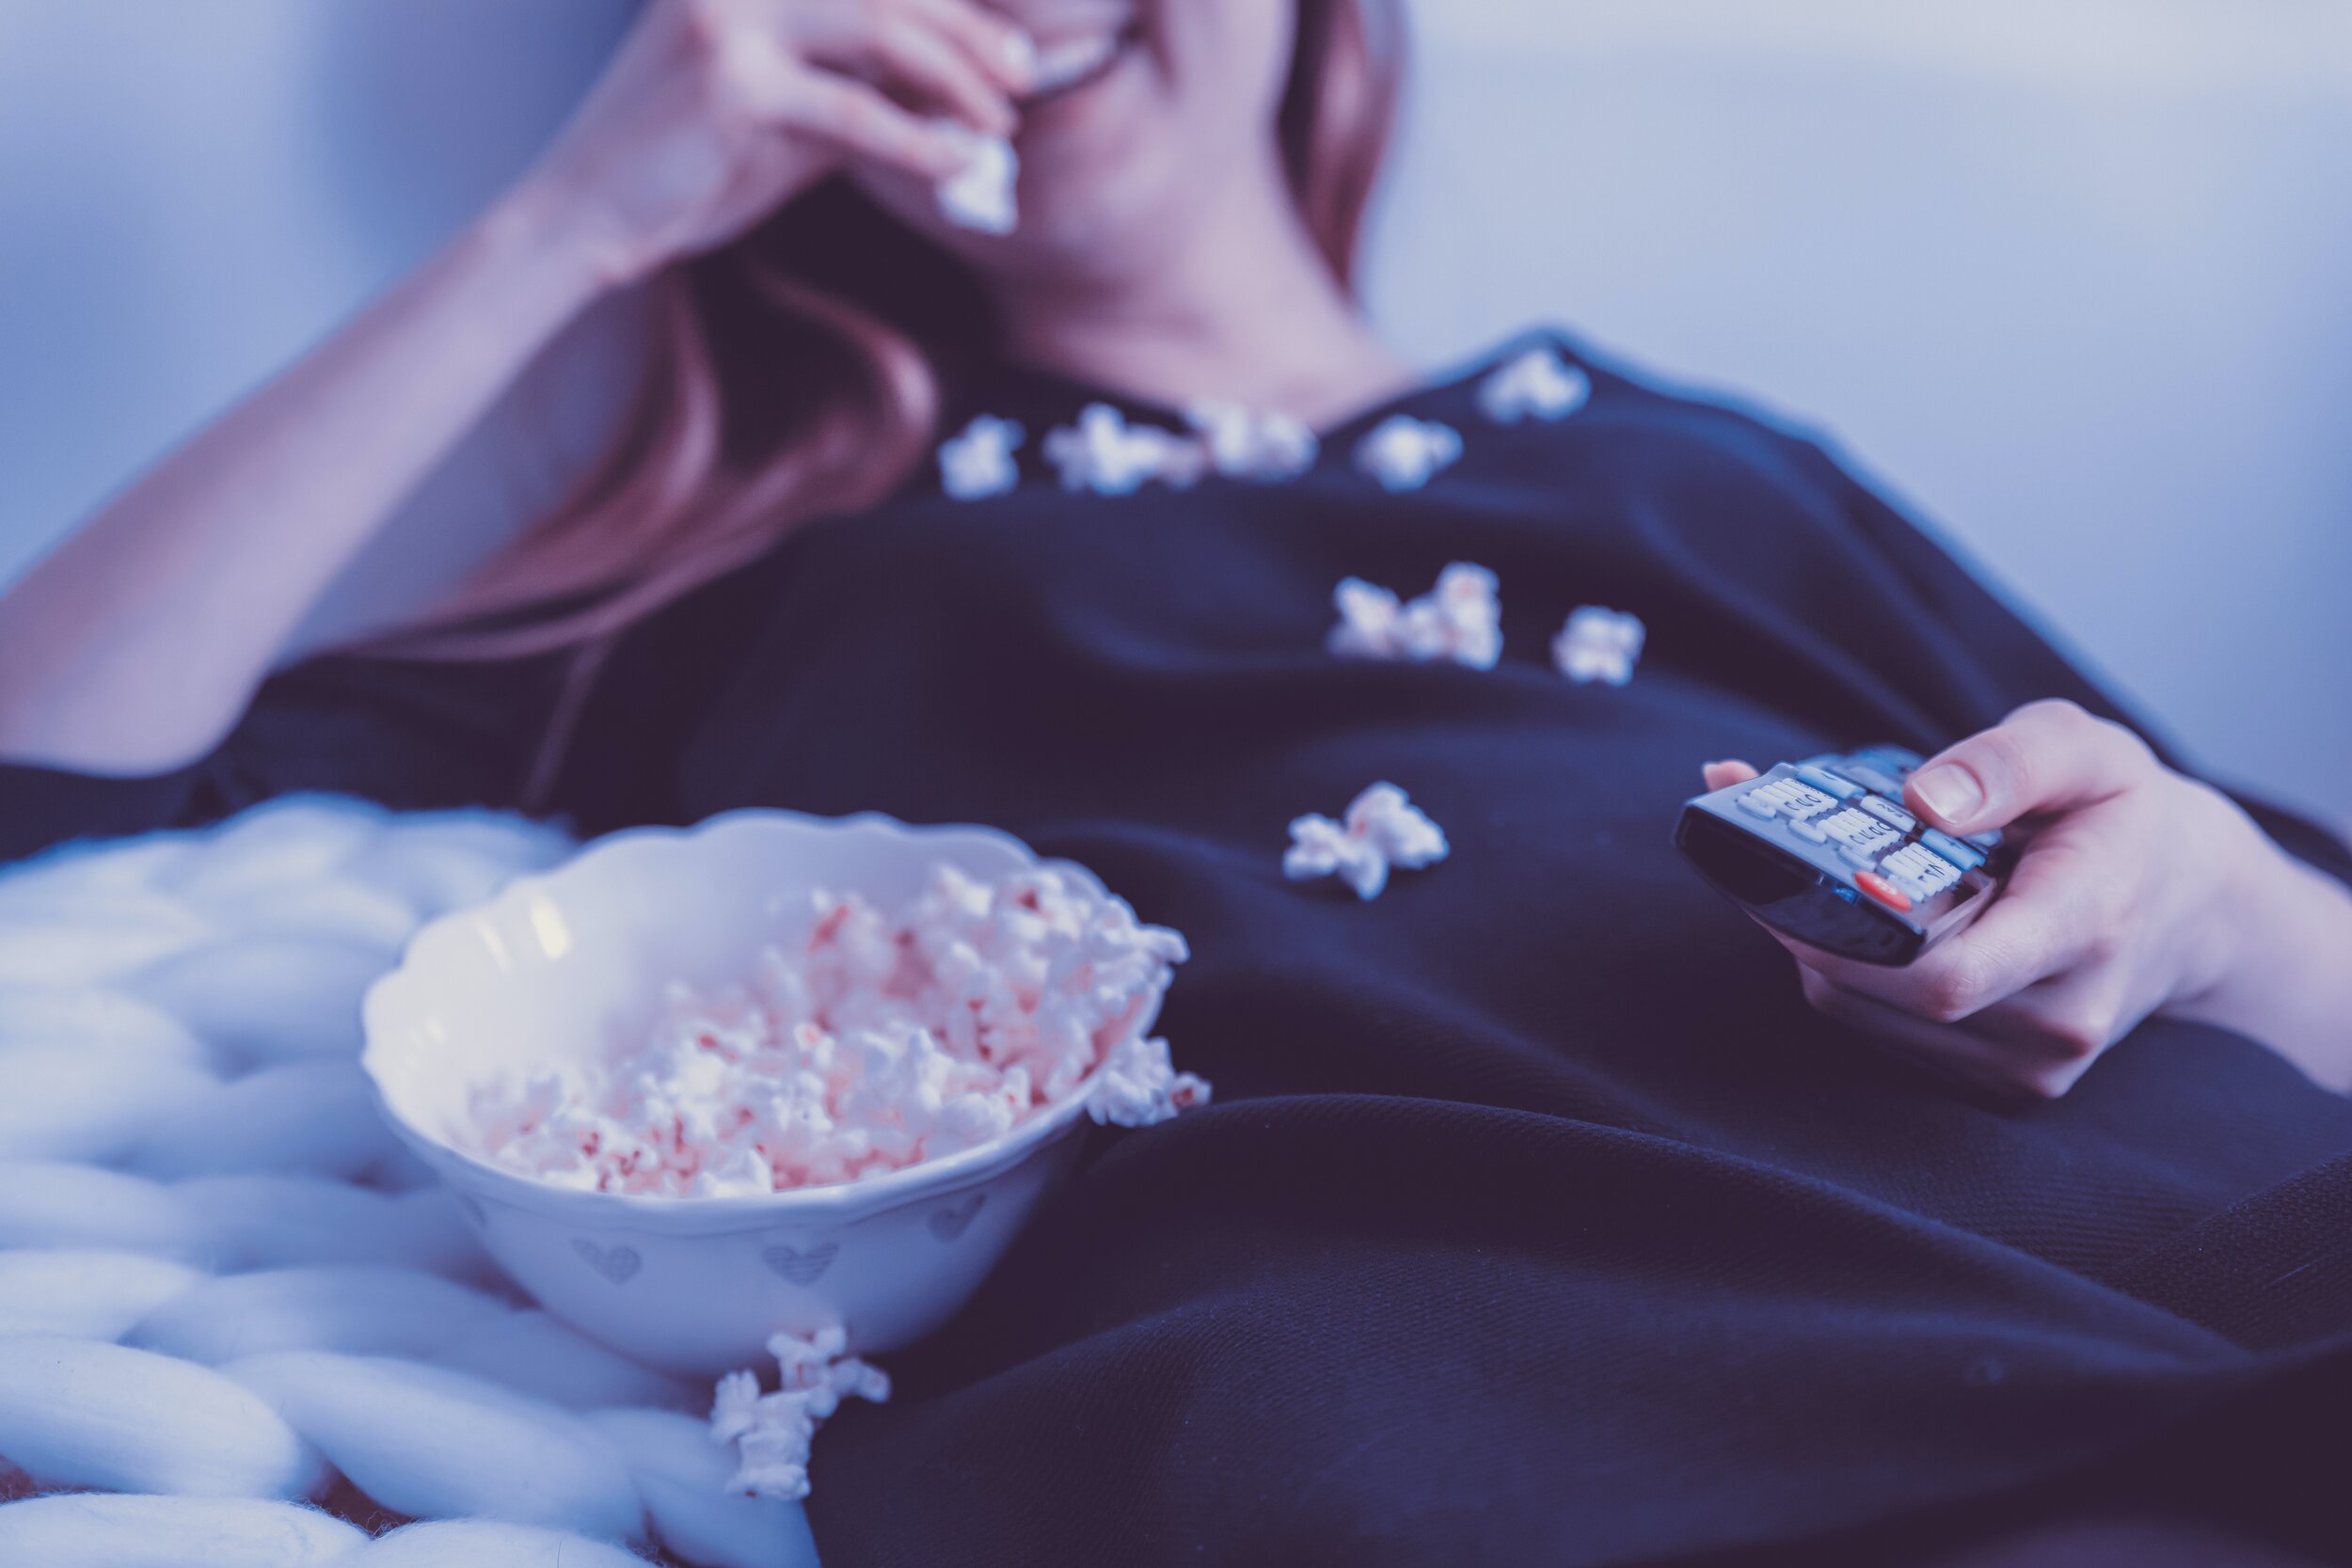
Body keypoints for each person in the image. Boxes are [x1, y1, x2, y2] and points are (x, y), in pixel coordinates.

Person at [3, 2, 2349, 1561]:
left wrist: (2215, 905)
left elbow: (2289, 953)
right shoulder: (789, 575)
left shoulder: (1696, 471)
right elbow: (49, 780)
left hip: (2169, 1229)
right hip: (1461, 1379)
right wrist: (574, 220)